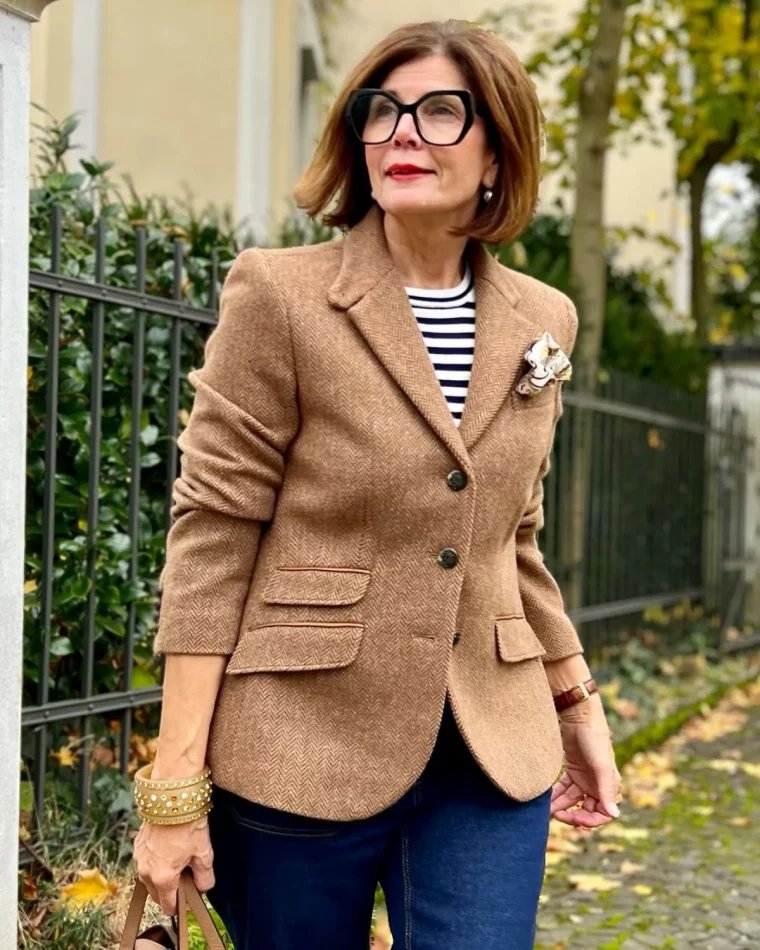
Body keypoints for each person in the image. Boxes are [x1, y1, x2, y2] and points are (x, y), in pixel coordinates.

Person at [133, 18, 622, 950]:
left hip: (488, 744)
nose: (403, 131)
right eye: (383, 111)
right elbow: (213, 536)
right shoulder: (279, 295)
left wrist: (575, 703)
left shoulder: (540, 317)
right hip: (300, 743)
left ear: (497, 152)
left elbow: (512, 538)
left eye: (442, 112)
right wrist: (174, 790)